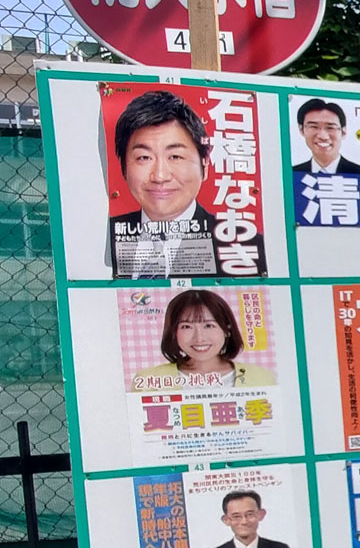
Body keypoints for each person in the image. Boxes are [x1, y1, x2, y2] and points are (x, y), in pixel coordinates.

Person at [106, 90, 253, 278]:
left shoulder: (240, 245)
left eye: (175, 156)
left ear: (204, 165)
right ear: (124, 167)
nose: (159, 176)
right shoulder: (101, 236)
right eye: (144, 157)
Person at [131, 288, 276, 389]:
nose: (199, 338)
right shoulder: (147, 380)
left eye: (208, 325)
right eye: (186, 327)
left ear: (227, 330)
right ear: (174, 332)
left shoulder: (261, 377)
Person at [293, 98, 360, 174]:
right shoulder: (291, 174)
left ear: (343, 132)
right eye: (313, 127)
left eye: (330, 128)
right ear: (302, 130)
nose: (323, 136)